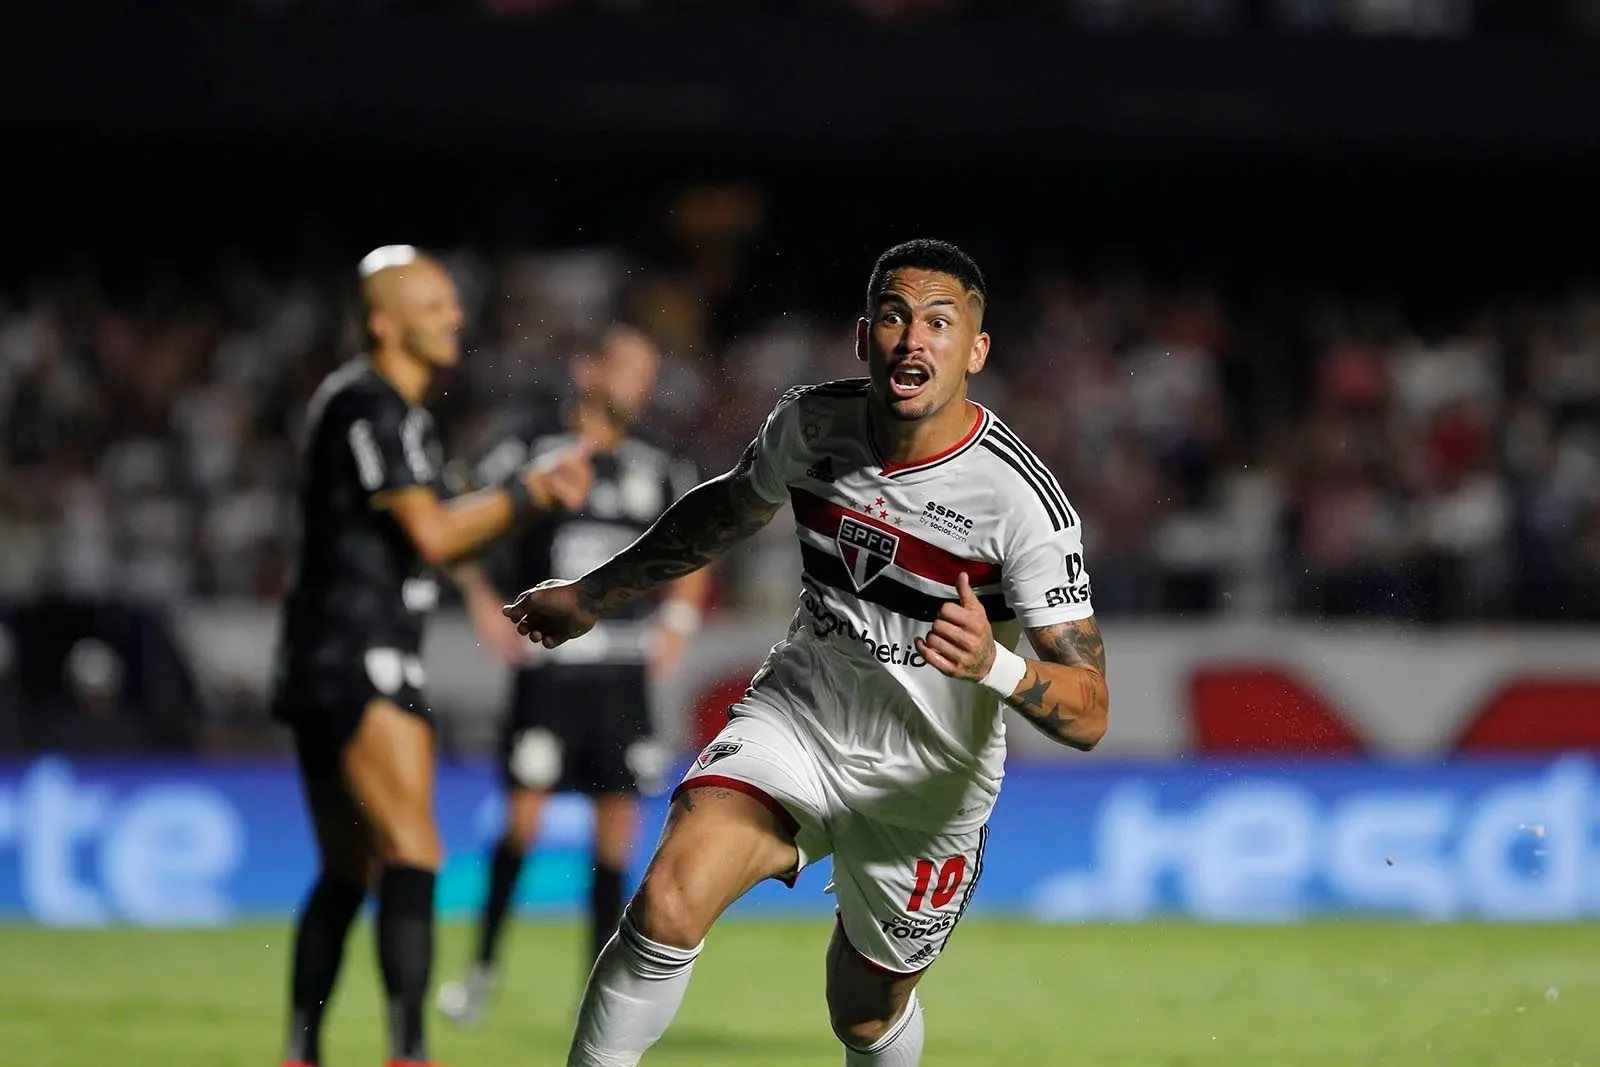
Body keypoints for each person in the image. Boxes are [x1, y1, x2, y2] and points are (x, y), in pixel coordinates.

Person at [505, 238, 1111, 1067]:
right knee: (669, 898)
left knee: (861, 1014)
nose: (913, 338)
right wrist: (588, 595)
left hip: (925, 787)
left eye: (939, 321)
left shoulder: (1021, 502)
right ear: (865, 337)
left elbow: (1090, 710)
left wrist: (994, 666)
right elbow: (722, 511)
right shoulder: (810, 424)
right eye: (894, 317)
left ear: (975, 351)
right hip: (802, 720)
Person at [271, 245, 593, 1067]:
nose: (455, 316)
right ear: (384, 323)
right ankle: (410, 1052)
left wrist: (515, 502)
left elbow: (441, 530)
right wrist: (529, 492)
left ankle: (301, 1052)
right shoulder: (368, 405)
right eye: (434, 304)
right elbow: (432, 532)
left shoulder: (390, 414)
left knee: (350, 866)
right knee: (413, 850)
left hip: (333, 655)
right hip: (357, 651)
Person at [436, 324, 711, 1024]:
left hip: (621, 670)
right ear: (589, 370)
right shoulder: (528, 448)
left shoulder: (661, 463)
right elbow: (448, 513)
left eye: (649, 373)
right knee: (522, 820)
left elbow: (702, 543)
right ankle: (481, 970)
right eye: (628, 369)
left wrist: (677, 620)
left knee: (615, 832)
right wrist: (479, 600)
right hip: (550, 667)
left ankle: (598, 989)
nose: (640, 387)